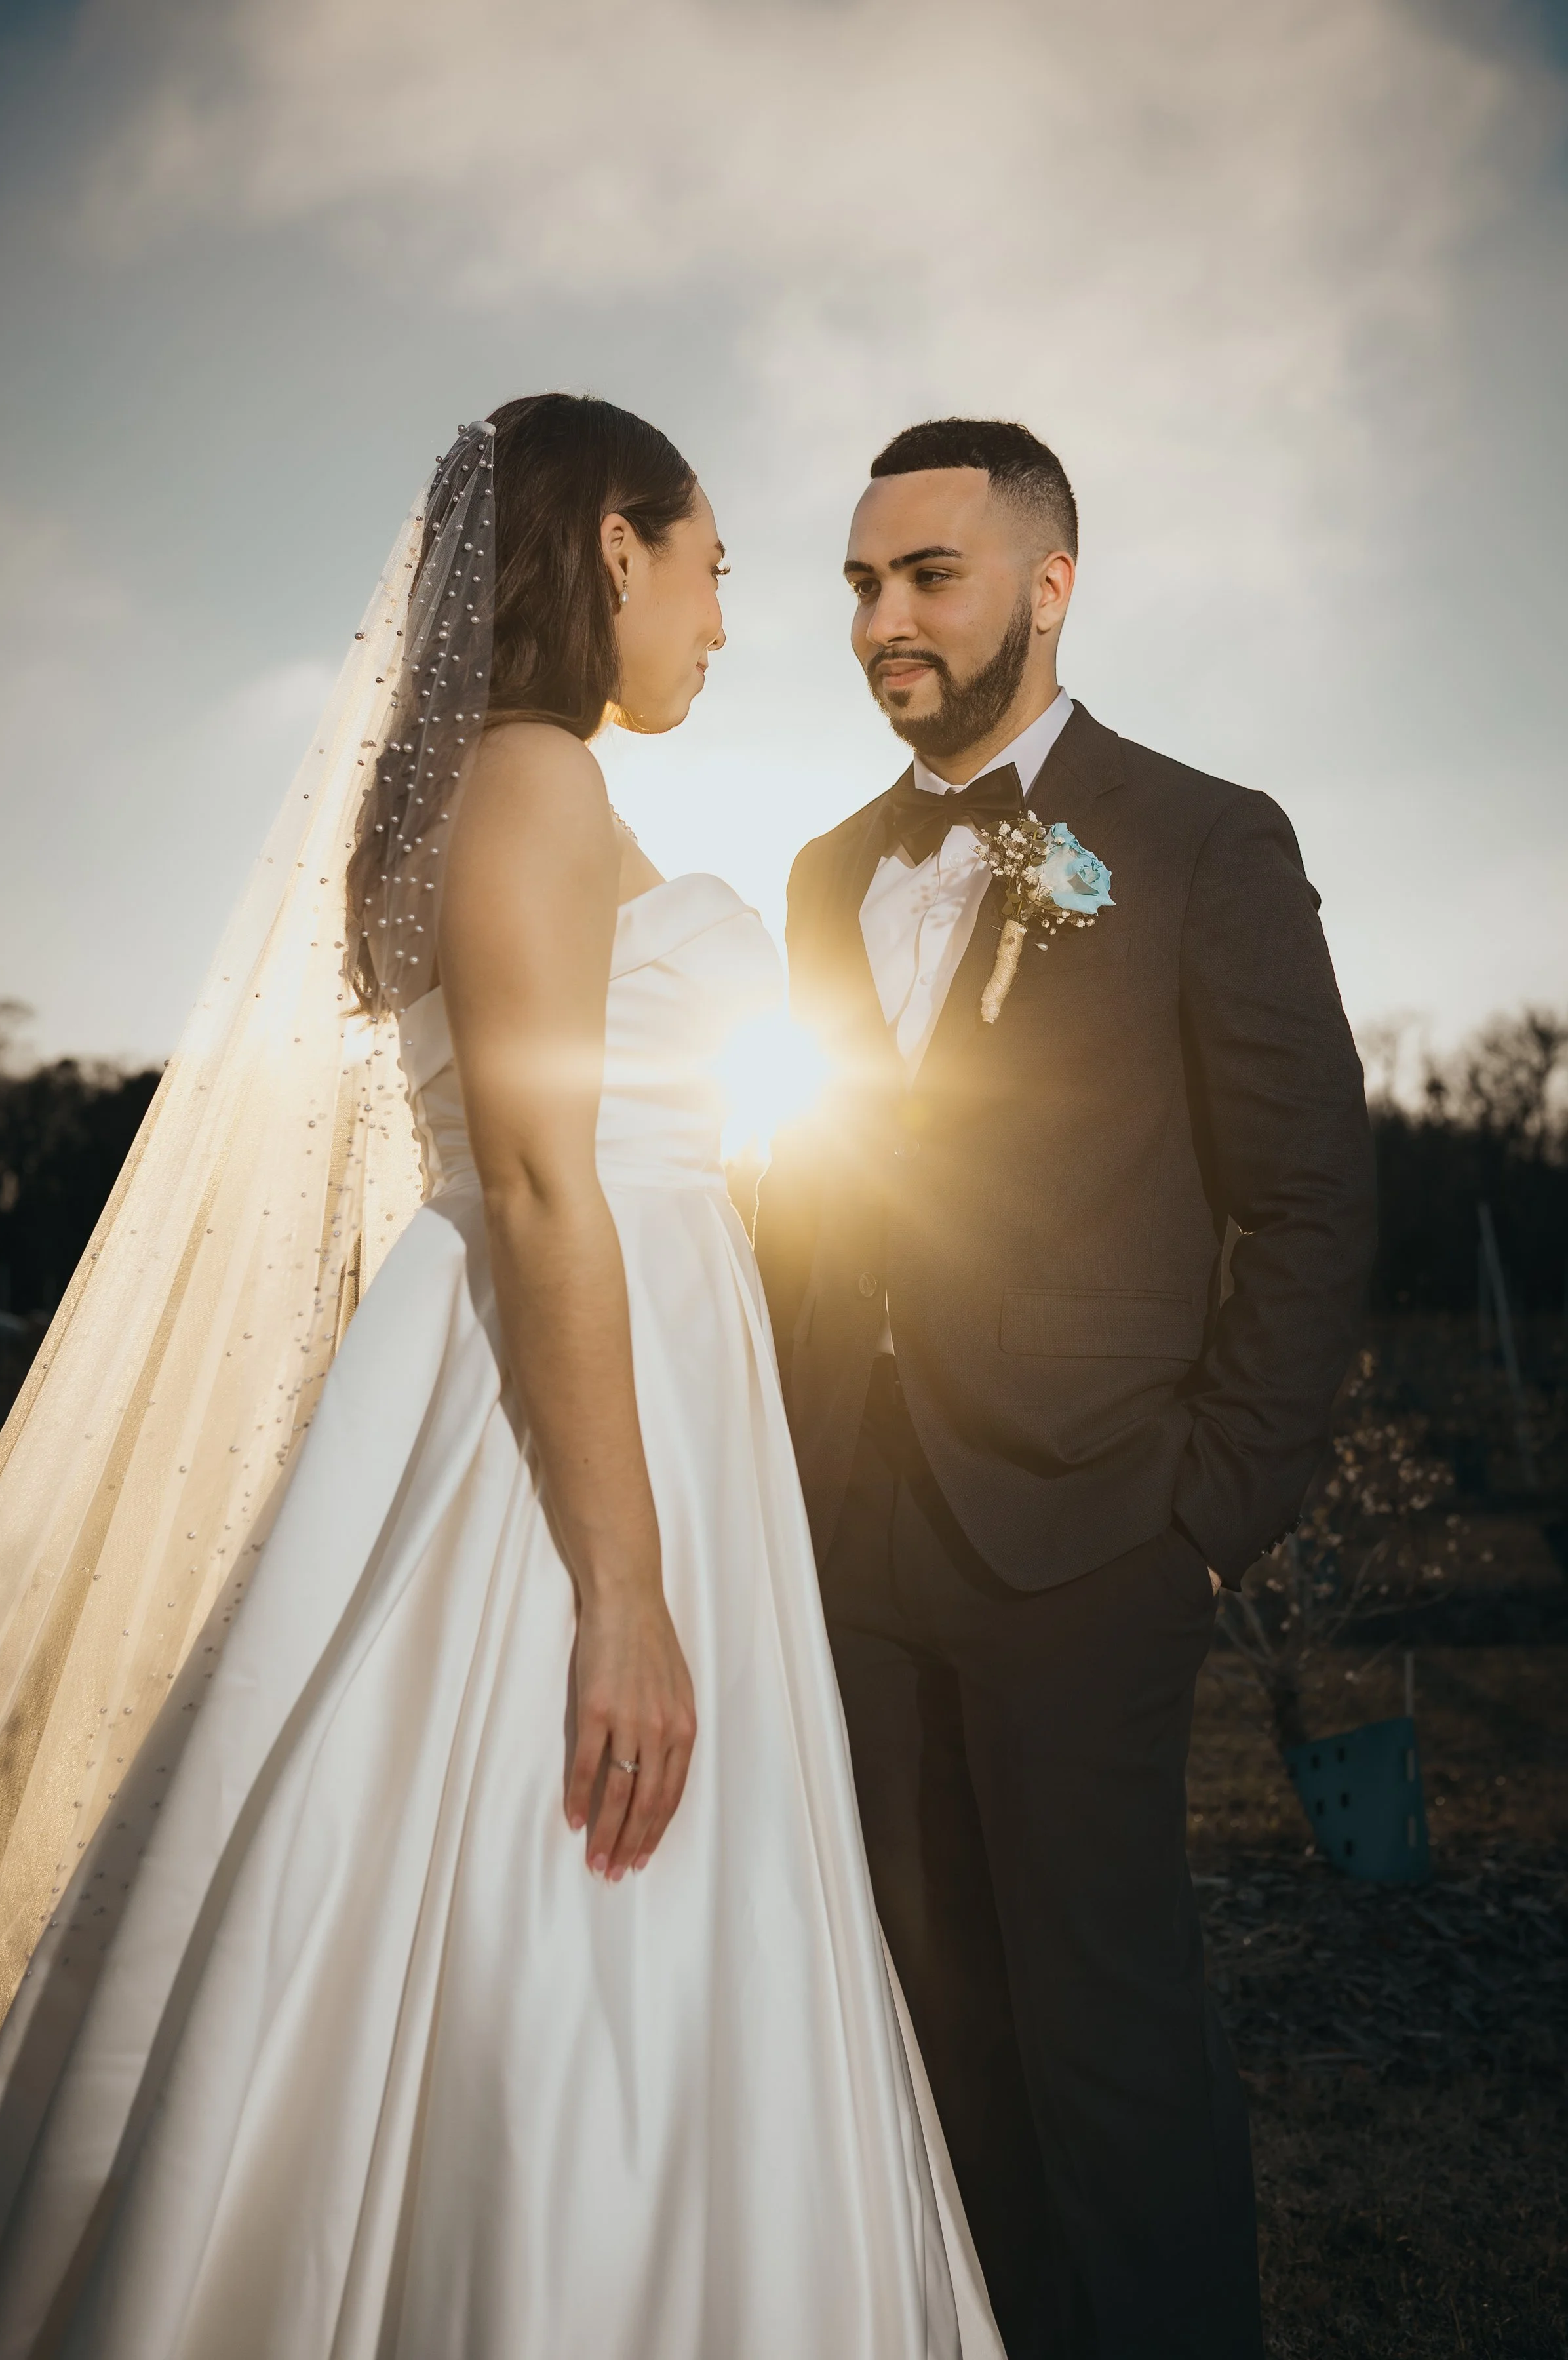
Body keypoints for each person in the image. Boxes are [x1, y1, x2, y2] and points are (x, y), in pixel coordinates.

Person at [0, 397, 1002, 2357]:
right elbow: (545, 1182)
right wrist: (623, 1592)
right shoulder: (532, 775)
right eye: (708, 572)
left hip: (624, 1353)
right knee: (559, 1854)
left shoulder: (510, 784)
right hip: (582, 1377)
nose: (723, 626)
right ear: (614, 551)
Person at [756, 416, 1378, 2359]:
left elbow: (1307, 1201)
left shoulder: (1201, 840)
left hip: (1096, 1532)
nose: (881, 620)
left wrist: (1210, 1519)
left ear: (1049, 583)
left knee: (1107, 2035)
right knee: (927, 2032)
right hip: (851, 1539)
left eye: (925, 575)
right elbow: (824, 1182)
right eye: (859, 582)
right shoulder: (819, 872)